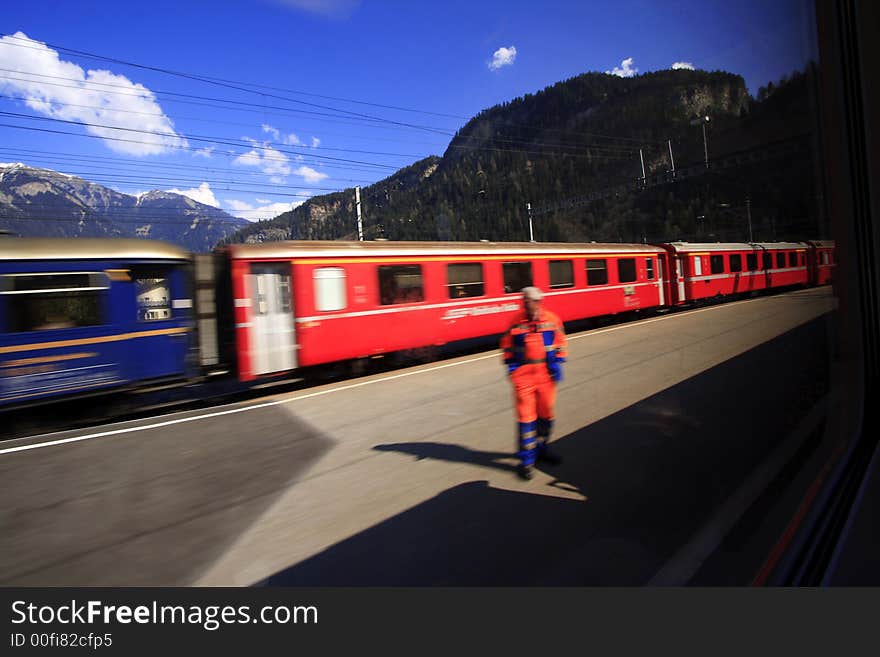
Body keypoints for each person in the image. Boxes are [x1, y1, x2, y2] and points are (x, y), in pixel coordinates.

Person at [500, 286, 568, 480]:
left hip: (546, 375)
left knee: (546, 414)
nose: (525, 304)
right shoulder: (516, 321)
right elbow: (506, 345)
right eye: (524, 301)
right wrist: (512, 369)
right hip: (524, 376)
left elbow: (561, 341)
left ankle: (542, 448)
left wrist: (559, 361)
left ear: (538, 302)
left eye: (528, 301)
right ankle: (526, 461)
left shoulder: (552, 319)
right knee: (526, 418)